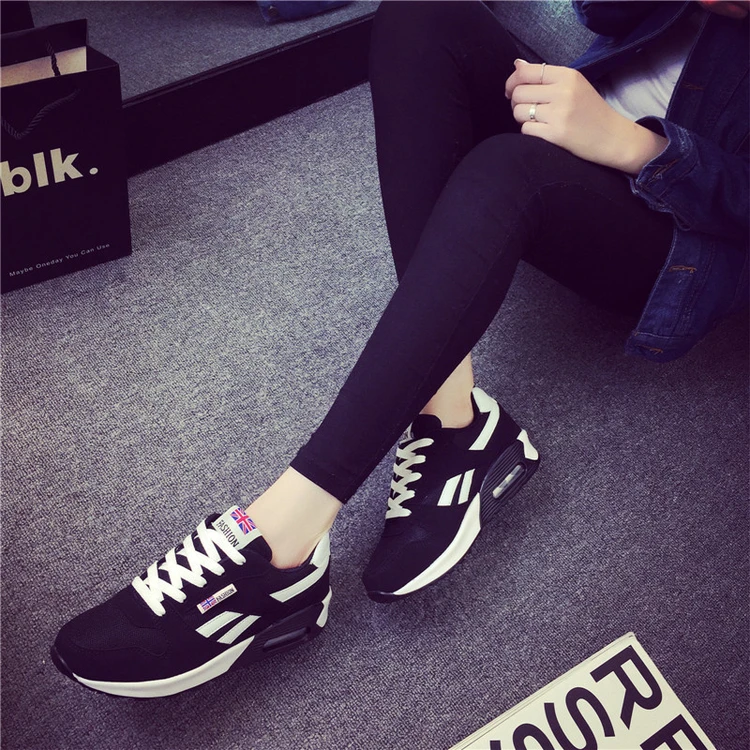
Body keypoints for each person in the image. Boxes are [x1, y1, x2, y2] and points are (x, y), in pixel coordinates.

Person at [51, 0, 748, 698]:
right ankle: (454, 419)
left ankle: (280, 545)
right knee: (419, 13)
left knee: (510, 169)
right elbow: (604, 13)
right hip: (579, 115)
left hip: (672, 223)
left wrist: (634, 146)